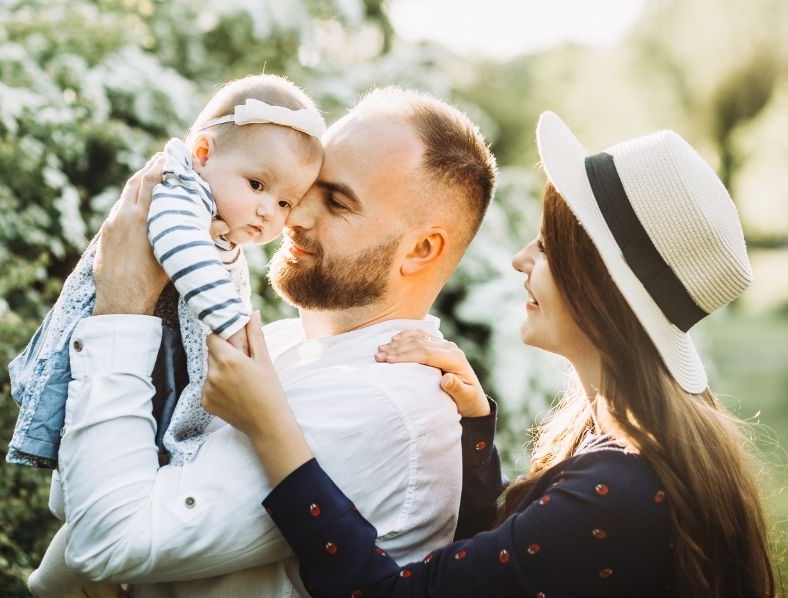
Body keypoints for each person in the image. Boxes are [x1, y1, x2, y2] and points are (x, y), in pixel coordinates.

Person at [202, 111, 778, 597]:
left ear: (601, 285)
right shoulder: (617, 448)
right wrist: (475, 427)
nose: (521, 259)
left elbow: (384, 592)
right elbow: (492, 569)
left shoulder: (620, 491)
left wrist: (272, 428)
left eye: (550, 246)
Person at [37, 88, 499, 596]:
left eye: (338, 201)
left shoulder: (379, 402)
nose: (291, 217)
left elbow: (105, 541)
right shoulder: (279, 343)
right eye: (303, 190)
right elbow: (81, 492)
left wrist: (122, 308)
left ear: (420, 250)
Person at [19, 74, 324, 596]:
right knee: (99, 470)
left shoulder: (216, 210)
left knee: (132, 462)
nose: (267, 212)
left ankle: (78, 574)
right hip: (129, 346)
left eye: (285, 204)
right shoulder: (179, 191)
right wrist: (234, 326)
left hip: (157, 357)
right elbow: (180, 248)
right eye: (257, 185)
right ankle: (58, 579)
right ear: (202, 151)